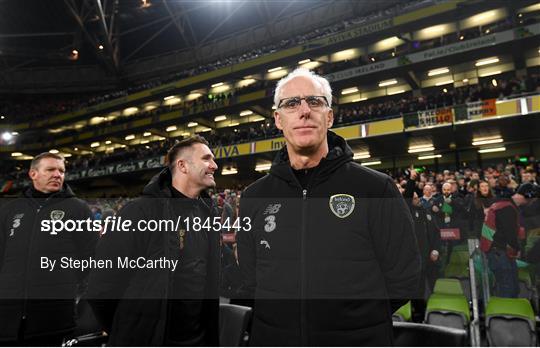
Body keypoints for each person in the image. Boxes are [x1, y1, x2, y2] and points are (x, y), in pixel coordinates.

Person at [237, 68, 421, 346]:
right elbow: (250, 280)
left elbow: (404, 276)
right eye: (291, 103)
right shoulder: (254, 197)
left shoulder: (375, 188)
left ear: (330, 116)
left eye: (314, 101)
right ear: (278, 119)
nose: (304, 111)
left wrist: (354, 325)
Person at [87, 136, 220, 346]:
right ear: (183, 165)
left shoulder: (208, 214)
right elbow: (102, 287)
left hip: (196, 339)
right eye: (206, 159)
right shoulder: (139, 212)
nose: (214, 165)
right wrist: (128, 330)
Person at [0, 152, 97, 345]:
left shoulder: (79, 209)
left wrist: (65, 283)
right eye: (50, 169)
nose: (57, 175)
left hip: (54, 314)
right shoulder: (10, 210)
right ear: (33, 174)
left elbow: (90, 257)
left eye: (61, 171)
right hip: (8, 314)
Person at [480, 183, 538, 298]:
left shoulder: (500, 204)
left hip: (495, 252)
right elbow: (510, 235)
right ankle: (504, 315)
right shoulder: (507, 208)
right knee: (508, 291)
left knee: (509, 288)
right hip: (500, 254)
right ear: (527, 196)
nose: (533, 202)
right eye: (533, 199)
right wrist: (518, 249)